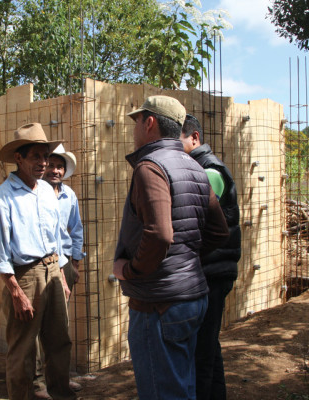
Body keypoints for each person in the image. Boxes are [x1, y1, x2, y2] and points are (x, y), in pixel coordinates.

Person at [113, 95, 229, 399]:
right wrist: (187, 257)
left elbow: (160, 234)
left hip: (159, 304)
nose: (134, 129)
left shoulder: (150, 167)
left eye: (137, 121)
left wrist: (130, 270)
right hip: (194, 297)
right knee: (183, 385)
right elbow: (218, 231)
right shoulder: (194, 167)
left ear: (149, 122)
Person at [0, 122, 76, 400]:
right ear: (19, 158)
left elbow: (57, 239)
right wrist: (15, 291)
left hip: (53, 270)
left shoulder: (48, 192)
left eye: (45, 156)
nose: (43, 162)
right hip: (24, 275)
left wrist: (62, 276)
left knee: (59, 340)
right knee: (24, 347)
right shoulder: (3, 197)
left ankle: (61, 394)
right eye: (35, 156)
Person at [180, 114, 241, 400]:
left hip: (213, 271)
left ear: (195, 137)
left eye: (178, 140)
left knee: (201, 351)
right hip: (211, 268)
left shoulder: (210, 172)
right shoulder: (200, 167)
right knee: (209, 345)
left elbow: (199, 220)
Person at [34, 144, 85, 397]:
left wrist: (74, 264)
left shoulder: (70, 196)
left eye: (59, 166)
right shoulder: (35, 194)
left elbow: (76, 230)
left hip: (64, 264)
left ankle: (60, 380)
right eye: (51, 165)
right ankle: (38, 383)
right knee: (35, 325)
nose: (55, 170)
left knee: (59, 327)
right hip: (40, 264)